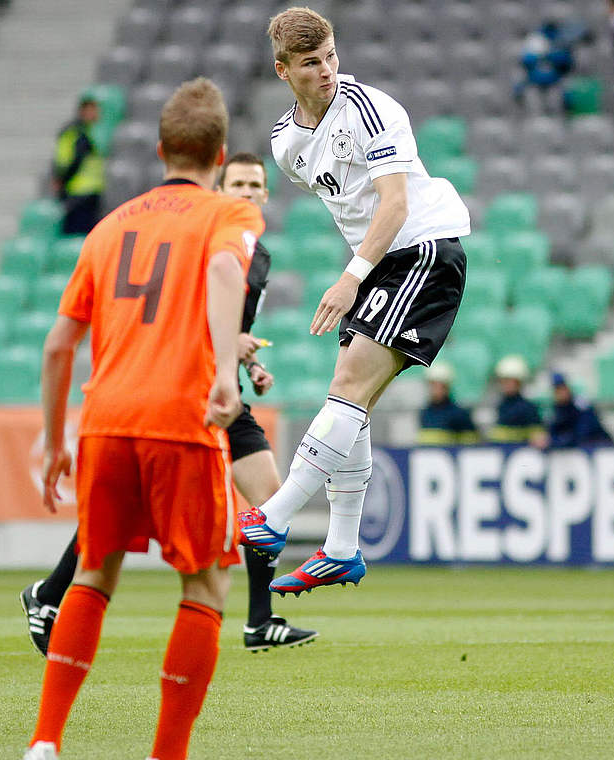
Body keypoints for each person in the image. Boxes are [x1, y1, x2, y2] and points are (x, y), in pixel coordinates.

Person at [24, 78, 263, 760]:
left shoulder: (109, 226)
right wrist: (223, 371)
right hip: (178, 420)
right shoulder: (227, 216)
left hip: (104, 421)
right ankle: (167, 755)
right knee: (207, 584)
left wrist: (51, 441)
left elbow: (57, 345)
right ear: (219, 157)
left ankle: (45, 740)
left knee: (95, 573)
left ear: (161, 150)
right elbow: (224, 272)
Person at [19, 152, 317, 659]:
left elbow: (231, 327)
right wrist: (230, 348)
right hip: (181, 394)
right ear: (220, 187)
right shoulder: (204, 238)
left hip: (221, 393)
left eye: (254, 184)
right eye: (237, 183)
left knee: (270, 500)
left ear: (266, 194)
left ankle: (259, 621)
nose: (246, 192)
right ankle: (49, 595)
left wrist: (248, 363)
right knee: (123, 513)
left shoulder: (255, 255)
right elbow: (186, 314)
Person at [237, 7, 471, 596]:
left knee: (347, 386)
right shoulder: (285, 144)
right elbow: (352, 209)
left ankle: (276, 516)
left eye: (331, 56)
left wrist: (350, 278)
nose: (327, 71)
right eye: (311, 63)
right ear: (283, 70)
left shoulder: (371, 109)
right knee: (352, 402)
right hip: (379, 263)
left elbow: (393, 205)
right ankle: (341, 549)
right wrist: (361, 273)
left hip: (422, 248)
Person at [50, 95, 105, 235]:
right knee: (78, 233)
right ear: (83, 111)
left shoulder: (87, 131)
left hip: (87, 190)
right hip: (79, 192)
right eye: (92, 110)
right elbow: (71, 161)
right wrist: (62, 181)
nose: (96, 114)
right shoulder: (78, 133)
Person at [515, 19, 592, 112]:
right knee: (527, 91)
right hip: (535, 79)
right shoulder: (535, 40)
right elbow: (527, 60)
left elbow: (565, 61)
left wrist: (550, 55)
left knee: (564, 89)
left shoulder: (560, 41)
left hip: (555, 79)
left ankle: (566, 110)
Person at [416, 362, 480, 445]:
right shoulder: (424, 412)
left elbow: (471, 444)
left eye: (440, 385)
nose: (436, 389)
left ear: (447, 386)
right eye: (433, 385)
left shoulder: (459, 414)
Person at [488, 354, 546, 445]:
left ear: (519, 382)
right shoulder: (499, 406)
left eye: (509, 380)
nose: (505, 384)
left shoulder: (528, 409)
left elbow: (539, 438)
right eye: (503, 380)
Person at [547, 372, 613, 448]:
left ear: (567, 388)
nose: (560, 393)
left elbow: (585, 429)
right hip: (576, 444)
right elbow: (553, 428)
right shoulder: (557, 407)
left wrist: (563, 440)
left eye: (562, 388)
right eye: (557, 390)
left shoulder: (580, 404)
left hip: (596, 442)